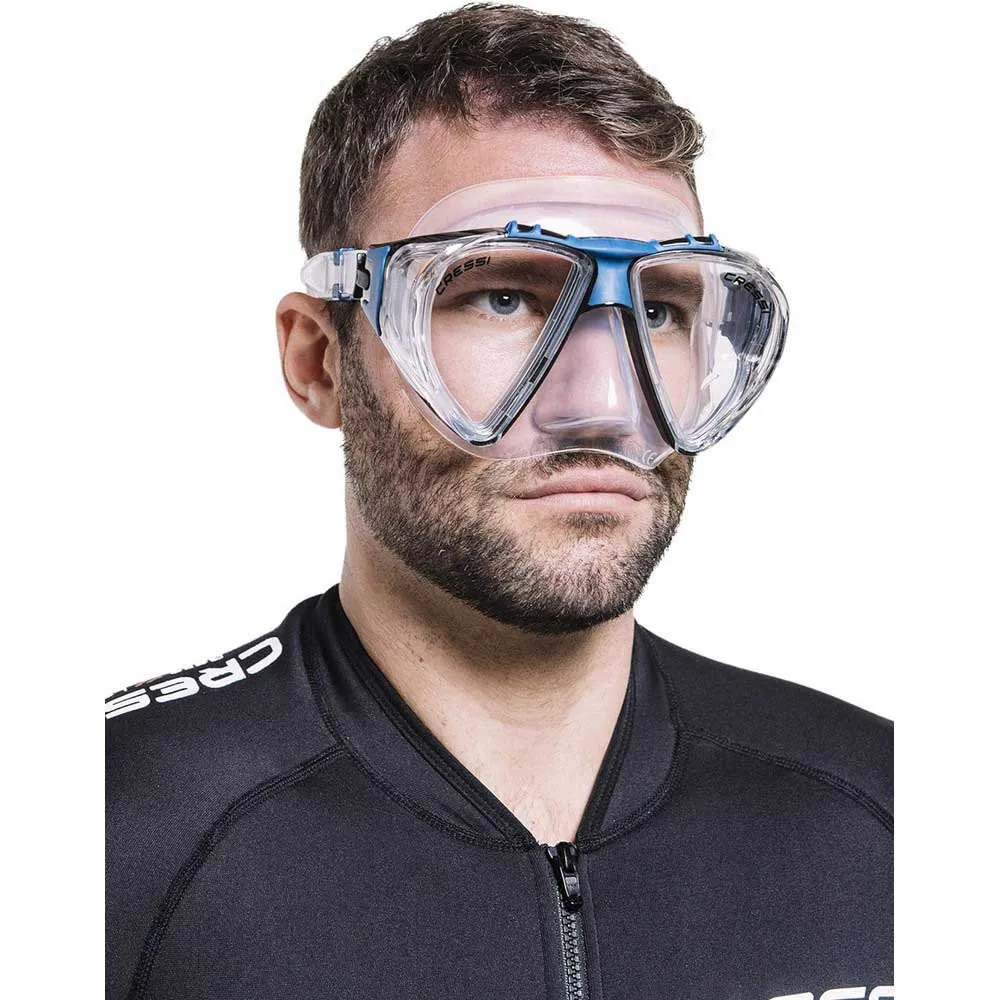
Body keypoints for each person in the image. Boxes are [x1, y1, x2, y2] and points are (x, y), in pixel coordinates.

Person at [105, 5, 893, 998]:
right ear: (319, 362)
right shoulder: (105, 838)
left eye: (659, 309)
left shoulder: (893, 815)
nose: (605, 405)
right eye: (502, 296)